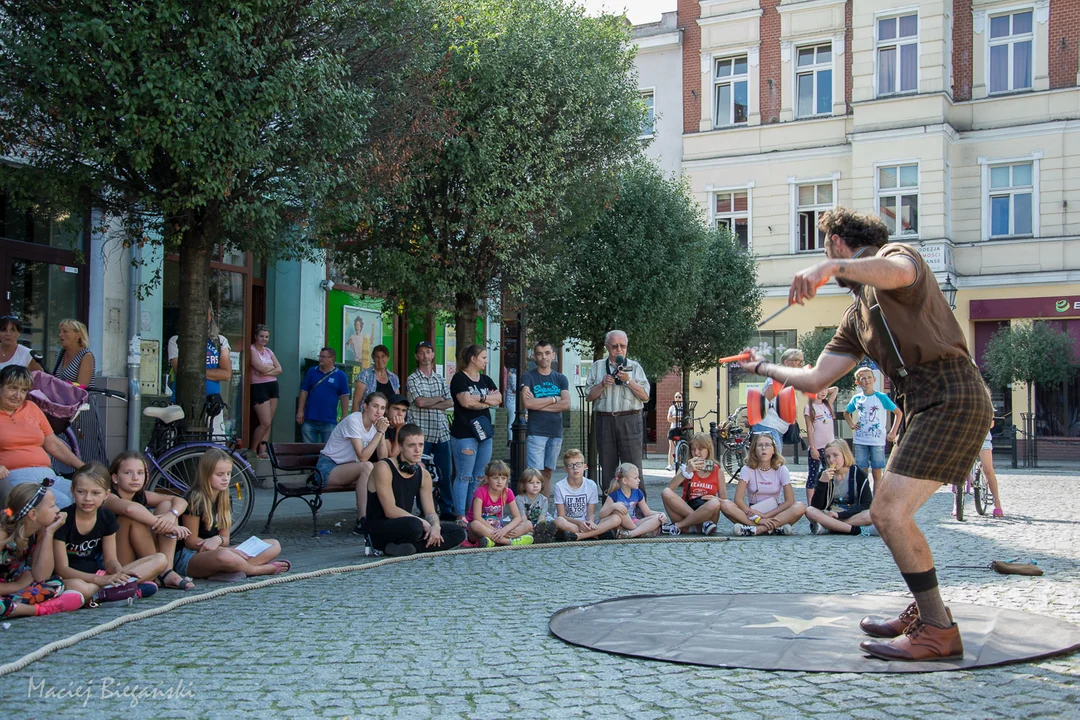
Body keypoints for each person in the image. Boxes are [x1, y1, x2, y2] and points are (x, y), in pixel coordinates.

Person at [738, 206, 993, 661]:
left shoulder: (897, 256)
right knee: (890, 512)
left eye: (826, 250)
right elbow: (817, 379)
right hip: (922, 402)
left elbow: (898, 271)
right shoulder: (857, 315)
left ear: (837, 243)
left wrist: (829, 267)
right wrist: (760, 365)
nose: (826, 259)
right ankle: (929, 612)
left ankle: (938, 629)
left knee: (890, 513)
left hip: (953, 393)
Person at [53, 463, 165, 602]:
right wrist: (100, 580)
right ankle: (121, 590)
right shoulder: (63, 519)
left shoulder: (106, 517)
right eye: (81, 492)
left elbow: (110, 560)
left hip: (99, 574)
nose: (88, 498)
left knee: (160, 559)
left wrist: (119, 572)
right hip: (74, 577)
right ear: (72, 491)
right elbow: (62, 569)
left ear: (106, 494)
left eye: (95, 493)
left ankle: (112, 589)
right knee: (78, 587)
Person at [176, 449, 289, 580]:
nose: (225, 479)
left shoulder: (225, 498)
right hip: (191, 556)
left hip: (218, 550)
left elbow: (225, 538)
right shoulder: (195, 498)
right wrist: (220, 548)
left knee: (274, 545)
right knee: (225, 555)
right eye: (219, 474)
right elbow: (190, 541)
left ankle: (228, 570)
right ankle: (257, 570)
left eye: (228, 474)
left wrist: (218, 540)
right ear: (206, 474)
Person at [365, 423, 466, 557]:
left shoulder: (423, 474)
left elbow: (430, 512)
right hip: (381, 526)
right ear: (400, 447)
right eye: (411, 445)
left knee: (458, 532)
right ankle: (389, 545)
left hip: (407, 525)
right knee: (415, 526)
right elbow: (390, 510)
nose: (418, 450)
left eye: (420, 445)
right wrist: (422, 522)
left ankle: (411, 548)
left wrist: (435, 526)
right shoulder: (384, 467)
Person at [1, 481, 93, 618]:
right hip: (12, 588)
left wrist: (49, 533)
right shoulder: (3, 535)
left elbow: (41, 577)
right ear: (33, 514)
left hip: (16, 589)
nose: (58, 510)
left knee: (56, 584)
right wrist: (17, 585)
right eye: (52, 506)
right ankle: (39, 609)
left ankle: (17, 607)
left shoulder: (39, 531)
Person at [104, 451, 195, 590]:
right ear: (115, 478)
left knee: (166, 505)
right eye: (128, 473)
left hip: (142, 554)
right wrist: (168, 526)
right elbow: (129, 509)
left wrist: (171, 515)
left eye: (140, 473)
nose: (135, 478)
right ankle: (159, 571)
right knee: (132, 517)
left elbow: (181, 501)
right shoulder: (108, 497)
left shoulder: (141, 495)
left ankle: (166, 571)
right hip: (115, 561)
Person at [0, 365, 84, 508]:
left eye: (23, 390)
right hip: (15, 477)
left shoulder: (31, 408)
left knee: (83, 495)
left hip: (47, 475)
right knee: (61, 502)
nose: (18, 395)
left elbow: (54, 444)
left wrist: (83, 467)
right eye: (13, 388)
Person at [315, 392, 389, 535]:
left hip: (347, 468)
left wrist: (382, 432)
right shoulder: (354, 420)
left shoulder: (376, 426)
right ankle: (362, 521)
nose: (379, 412)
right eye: (375, 406)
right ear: (365, 406)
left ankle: (380, 516)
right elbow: (362, 457)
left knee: (379, 469)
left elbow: (383, 458)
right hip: (327, 469)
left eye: (382, 408)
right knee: (367, 466)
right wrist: (379, 431)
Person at [585, 330, 650, 490]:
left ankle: (640, 510)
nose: (619, 350)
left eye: (623, 346)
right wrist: (601, 385)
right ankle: (610, 509)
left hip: (630, 419)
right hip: (605, 420)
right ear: (607, 347)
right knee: (607, 466)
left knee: (634, 467)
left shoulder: (635, 367)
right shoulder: (598, 366)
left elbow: (645, 396)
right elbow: (588, 396)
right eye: (615, 346)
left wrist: (629, 381)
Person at [449, 344, 502, 523]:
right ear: (473, 358)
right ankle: (460, 514)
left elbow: (499, 399)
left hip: (484, 433)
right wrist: (487, 402)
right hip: (464, 434)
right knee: (464, 475)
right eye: (483, 358)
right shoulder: (459, 378)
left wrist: (479, 399)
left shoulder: (485, 380)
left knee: (480, 476)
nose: (486, 361)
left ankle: (475, 515)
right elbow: (464, 402)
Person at [719, 433, 806, 536]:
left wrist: (766, 516)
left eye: (767, 445)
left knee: (800, 506)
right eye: (760, 445)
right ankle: (774, 528)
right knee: (725, 505)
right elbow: (738, 499)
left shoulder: (782, 469)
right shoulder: (747, 469)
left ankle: (757, 529)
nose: (764, 448)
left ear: (773, 450)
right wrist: (757, 518)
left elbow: (790, 501)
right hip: (752, 513)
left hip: (775, 513)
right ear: (754, 450)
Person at [406, 341, 454, 518]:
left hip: (441, 432)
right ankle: (425, 509)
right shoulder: (413, 379)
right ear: (416, 356)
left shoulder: (440, 378)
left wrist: (431, 401)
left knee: (445, 474)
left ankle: (447, 509)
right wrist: (439, 399)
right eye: (421, 353)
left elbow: (450, 403)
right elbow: (419, 402)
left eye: (428, 352)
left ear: (433, 355)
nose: (425, 356)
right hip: (421, 434)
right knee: (421, 474)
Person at [167, 307, 232, 435]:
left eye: (205, 315)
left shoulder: (220, 341)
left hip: (212, 403)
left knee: (217, 445)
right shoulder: (176, 340)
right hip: (182, 402)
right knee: (177, 443)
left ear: (210, 317)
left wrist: (194, 372)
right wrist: (212, 373)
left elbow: (226, 374)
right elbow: (180, 371)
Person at [519, 340, 570, 495]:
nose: (543, 357)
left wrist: (538, 404)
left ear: (553, 355)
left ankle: (544, 511)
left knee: (547, 473)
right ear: (534, 356)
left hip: (555, 432)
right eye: (540, 354)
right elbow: (527, 403)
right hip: (536, 432)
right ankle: (532, 512)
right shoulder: (528, 377)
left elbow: (566, 404)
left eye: (547, 353)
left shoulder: (561, 378)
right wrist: (554, 399)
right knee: (534, 475)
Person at [845, 367, 902, 491]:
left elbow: (898, 413)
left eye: (869, 377)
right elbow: (846, 413)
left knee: (877, 472)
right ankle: (864, 498)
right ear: (858, 382)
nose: (867, 380)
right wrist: (851, 424)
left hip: (877, 441)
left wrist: (893, 431)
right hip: (860, 440)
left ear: (874, 379)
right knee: (862, 472)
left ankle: (876, 500)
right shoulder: (857, 398)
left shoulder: (881, 397)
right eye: (863, 378)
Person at [805, 440, 875, 536]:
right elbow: (816, 506)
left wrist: (840, 515)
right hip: (829, 514)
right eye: (828, 457)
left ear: (844, 455)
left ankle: (830, 528)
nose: (831, 460)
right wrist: (822, 483)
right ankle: (854, 530)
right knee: (809, 511)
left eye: (835, 455)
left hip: (851, 514)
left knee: (871, 514)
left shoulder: (858, 474)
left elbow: (867, 504)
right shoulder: (824, 474)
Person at [660, 433, 725, 536]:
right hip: (687, 510)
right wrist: (687, 471)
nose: (696, 453)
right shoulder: (687, 467)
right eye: (693, 449)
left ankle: (679, 525)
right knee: (666, 492)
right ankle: (701, 524)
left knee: (715, 503)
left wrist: (714, 498)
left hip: (708, 512)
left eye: (700, 449)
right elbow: (670, 487)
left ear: (708, 449)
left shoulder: (717, 471)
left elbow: (724, 501)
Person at [552, 449, 622, 541]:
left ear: (585, 466)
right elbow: (561, 515)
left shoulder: (591, 485)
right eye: (571, 465)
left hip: (587, 523)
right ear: (565, 469)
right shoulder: (559, 486)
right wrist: (579, 523)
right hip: (570, 523)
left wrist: (590, 522)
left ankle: (578, 535)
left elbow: (591, 513)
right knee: (558, 521)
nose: (575, 468)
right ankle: (596, 534)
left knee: (616, 518)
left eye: (578, 464)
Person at [467, 460, 533, 548]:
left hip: (499, 529)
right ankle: (510, 542)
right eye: (495, 478)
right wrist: (496, 531)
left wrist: (504, 530)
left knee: (528, 524)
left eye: (503, 478)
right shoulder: (480, 492)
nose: (500, 482)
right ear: (487, 479)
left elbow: (517, 517)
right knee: (475, 525)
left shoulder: (507, 492)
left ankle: (492, 541)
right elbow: (477, 518)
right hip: (481, 529)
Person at [750, 348, 804, 452]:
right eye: (798, 361)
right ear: (786, 362)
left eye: (802, 361)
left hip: (775, 428)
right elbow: (763, 400)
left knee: (774, 464)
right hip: (768, 427)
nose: (800, 364)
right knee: (773, 464)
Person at [296, 347, 350, 444]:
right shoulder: (312, 371)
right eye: (320, 356)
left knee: (329, 450)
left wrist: (344, 415)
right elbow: (304, 392)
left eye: (324, 357)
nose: (320, 359)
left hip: (329, 421)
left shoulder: (340, 375)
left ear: (332, 359)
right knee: (308, 450)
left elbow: (344, 396)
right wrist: (300, 411)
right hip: (310, 418)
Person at [600, 463, 664, 539]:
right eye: (635, 478)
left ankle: (631, 534)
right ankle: (639, 532)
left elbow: (647, 512)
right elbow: (601, 514)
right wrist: (613, 506)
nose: (639, 480)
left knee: (657, 518)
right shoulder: (615, 495)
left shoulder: (638, 493)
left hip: (634, 522)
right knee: (620, 511)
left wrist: (661, 514)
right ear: (625, 480)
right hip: (622, 525)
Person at [249, 324, 282, 460]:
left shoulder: (268, 351)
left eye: (267, 337)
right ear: (256, 336)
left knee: (269, 421)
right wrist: (268, 369)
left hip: (272, 385)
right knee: (265, 422)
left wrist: (265, 369)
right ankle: (251, 450)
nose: (264, 339)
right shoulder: (251, 349)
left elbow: (280, 369)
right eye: (261, 336)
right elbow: (258, 367)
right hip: (258, 386)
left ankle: (262, 451)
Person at [804, 385, 839, 507]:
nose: (823, 392)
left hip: (830, 447)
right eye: (820, 389)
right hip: (817, 447)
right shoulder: (809, 407)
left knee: (830, 474)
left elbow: (835, 389)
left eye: (825, 389)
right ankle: (811, 505)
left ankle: (828, 501)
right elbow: (809, 429)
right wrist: (813, 448)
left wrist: (823, 387)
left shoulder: (827, 404)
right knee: (813, 476)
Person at [351, 344, 400, 413]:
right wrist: (354, 420)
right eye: (377, 357)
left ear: (388, 358)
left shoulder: (394, 378)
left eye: (383, 356)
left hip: (388, 420)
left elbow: (397, 401)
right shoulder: (365, 374)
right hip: (368, 420)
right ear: (373, 359)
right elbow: (356, 401)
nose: (380, 360)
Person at [515, 468, 557, 544]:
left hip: (538, 524)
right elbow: (522, 517)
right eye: (531, 483)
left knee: (551, 521)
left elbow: (542, 517)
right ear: (524, 484)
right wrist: (531, 527)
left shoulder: (544, 499)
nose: (535, 486)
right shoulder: (519, 499)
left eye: (538, 483)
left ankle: (542, 535)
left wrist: (538, 526)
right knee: (523, 527)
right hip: (525, 523)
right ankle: (537, 536)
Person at [51, 318, 95, 387]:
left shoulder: (86, 356)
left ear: (77, 336)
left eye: (65, 331)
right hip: (60, 397)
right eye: (60, 331)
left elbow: (81, 387)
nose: (60, 334)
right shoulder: (60, 353)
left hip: (79, 397)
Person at [979, 423, 1005, 517]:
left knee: (988, 470)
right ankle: (956, 503)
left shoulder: (987, 407)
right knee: (958, 469)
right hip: (964, 437)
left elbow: (990, 423)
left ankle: (997, 502)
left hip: (982, 438)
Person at [384, 394, 410, 458]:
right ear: (387, 410)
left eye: (403, 410)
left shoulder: (406, 428)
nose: (400, 414)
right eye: (396, 409)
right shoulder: (382, 425)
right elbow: (392, 454)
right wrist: (399, 428)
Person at [665, 392, 684, 471]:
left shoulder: (683, 407)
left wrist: (674, 418)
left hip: (681, 428)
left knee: (680, 446)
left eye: (679, 397)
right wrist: (677, 418)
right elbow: (669, 419)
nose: (677, 398)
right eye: (676, 397)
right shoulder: (672, 407)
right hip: (673, 428)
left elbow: (683, 418)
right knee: (671, 446)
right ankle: (670, 464)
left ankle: (681, 463)